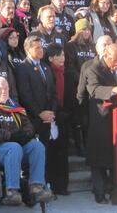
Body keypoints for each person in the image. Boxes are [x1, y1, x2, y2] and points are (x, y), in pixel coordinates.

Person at [0, 77, 53, 206]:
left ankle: (36, 186)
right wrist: (10, 136)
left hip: (18, 146)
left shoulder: (15, 107)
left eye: (6, 88)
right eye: (0, 88)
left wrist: (26, 135)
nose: (3, 91)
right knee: (14, 147)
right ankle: (12, 191)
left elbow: (28, 126)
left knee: (37, 146)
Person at [85, 43, 117, 204]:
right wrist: (114, 90)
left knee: (116, 156)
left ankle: (115, 190)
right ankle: (99, 192)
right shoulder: (93, 68)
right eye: (114, 61)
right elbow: (94, 90)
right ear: (105, 55)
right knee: (99, 158)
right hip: (102, 118)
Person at [44, 44, 77, 195]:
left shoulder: (67, 73)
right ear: (51, 58)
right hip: (50, 116)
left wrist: (67, 112)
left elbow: (72, 94)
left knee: (62, 152)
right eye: (59, 55)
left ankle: (62, 186)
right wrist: (55, 111)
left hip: (64, 116)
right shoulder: (47, 71)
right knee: (50, 152)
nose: (62, 58)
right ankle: (50, 185)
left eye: (63, 55)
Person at [16, 36, 57, 143]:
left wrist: (51, 113)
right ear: (28, 50)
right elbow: (25, 95)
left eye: (41, 47)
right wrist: (39, 113)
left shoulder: (46, 67)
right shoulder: (22, 67)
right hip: (33, 119)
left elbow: (52, 91)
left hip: (48, 118)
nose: (41, 50)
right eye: (37, 48)